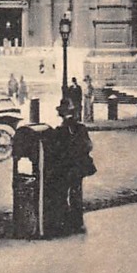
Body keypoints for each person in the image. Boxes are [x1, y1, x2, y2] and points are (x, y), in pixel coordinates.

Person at [50, 99, 95, 234]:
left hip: (65, 167)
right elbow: (89, 145)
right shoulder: (81, 128)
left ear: (62, 114)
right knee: (76, 193)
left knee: (63, 193)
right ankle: (77, 222)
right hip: (78, 167)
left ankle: (64, 221)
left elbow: (55, 150)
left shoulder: (59, 130)